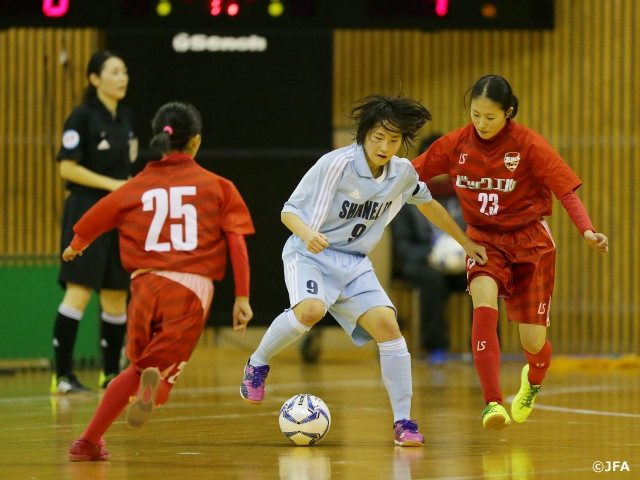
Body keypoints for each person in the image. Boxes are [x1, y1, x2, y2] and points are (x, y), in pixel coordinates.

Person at [238, 94, 487, 447]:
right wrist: (308, 234)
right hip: (309, 254)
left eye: (394, 139)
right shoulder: (335, 164)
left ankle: (403, 422)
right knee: (310, 310)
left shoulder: (402, 173)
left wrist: (466, 243)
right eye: (378, 138)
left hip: (354, 263)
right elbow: (288, 211)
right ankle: (258, 363)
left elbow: (430, 207)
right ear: (364, 135)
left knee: (388, 326)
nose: (385, 146)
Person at [412, 75, 609, 431]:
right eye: (475, 115)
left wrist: (588, 230)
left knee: (533, 342)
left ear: (509, 112)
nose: (482, 124)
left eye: (490, 116)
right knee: (484, 306)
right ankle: (492, 403)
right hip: (483, 241)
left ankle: (533, 380)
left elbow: (566, 192)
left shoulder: (529, 145)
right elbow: (408, 175)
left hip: (530, 243)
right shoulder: (455, 144)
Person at [62, 101, 255, 461]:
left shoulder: (137, 185)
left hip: (143, 284)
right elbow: (236, 243)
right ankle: (158, 388)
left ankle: (87, 442)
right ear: (195, 142)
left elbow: (95, 217)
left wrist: (76, 246)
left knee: (137, 367)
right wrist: (241, 296)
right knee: (159, 373)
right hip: (188, 288)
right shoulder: (219, 186)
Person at [51, 50, 137, 394]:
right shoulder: (82, 117)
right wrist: (112, 185)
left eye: (124, 71)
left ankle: (110, 374)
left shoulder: (125, 118)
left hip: (119, 216)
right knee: (79, 291)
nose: (122, 77)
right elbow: (66, 168)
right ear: (94, 79)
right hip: (86, 209)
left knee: (117, 294)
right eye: (114, 72)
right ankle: (63, 376)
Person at [391, 134, 469, 364]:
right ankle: (435, 347)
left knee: (485, 277)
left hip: (464, 260)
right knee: (432, 281)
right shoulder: (406, 198)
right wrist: (430, 254)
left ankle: (485, 347)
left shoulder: (467, 194)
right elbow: (402, 243)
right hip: (423, 263)